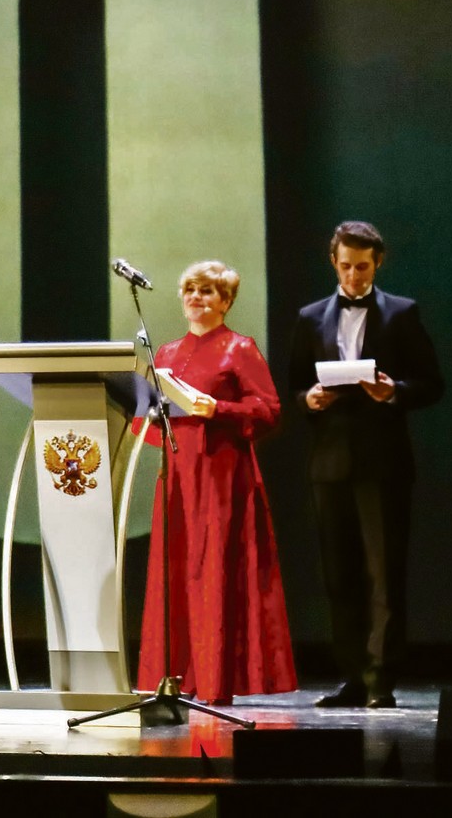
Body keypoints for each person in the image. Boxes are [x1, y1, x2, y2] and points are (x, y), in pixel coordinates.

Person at [285, 220, 444, 709]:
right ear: (333, 263)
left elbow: (432, 383)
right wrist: (309, 400)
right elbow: (295, 384)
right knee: (340, 575)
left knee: (384, 574)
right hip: (330, 462)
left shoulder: (402, 313)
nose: (353, 276)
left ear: (378, 263)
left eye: (363, 267)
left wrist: (394, 391)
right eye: (346, 266)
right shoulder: (311, 317)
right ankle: (352, 675)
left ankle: (380, 679)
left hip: (383, 461)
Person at [135, 261, 298, 704]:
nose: (196, 297)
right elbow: (145, 419)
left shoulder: (239, 349)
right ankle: (174, 678)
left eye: (207, 291)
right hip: (178, 477)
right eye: (190, 289)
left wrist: (218, 410)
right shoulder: (166, 353)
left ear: (225, 301)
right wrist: (143, 415)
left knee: (214, 571)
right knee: (176, 570)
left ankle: (214, 681)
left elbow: (269, 411)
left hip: (223, 478)